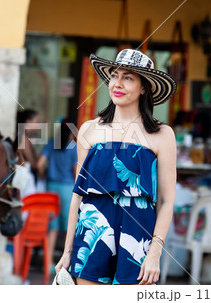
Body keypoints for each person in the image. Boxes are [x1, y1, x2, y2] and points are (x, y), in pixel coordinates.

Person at [55, 49, 177, 285]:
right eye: (114, 76)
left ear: (144, 88)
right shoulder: (89, 130)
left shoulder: (162, 135)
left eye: (128, 78)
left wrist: (155, 253)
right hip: (92, 237)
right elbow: (78, 196)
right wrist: (68, 251)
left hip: (138, 239)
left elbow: (166, 201)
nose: (117, 84)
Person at [37, 118, 77, 272]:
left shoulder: (51, 143)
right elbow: (75, 172)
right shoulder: (73, 147)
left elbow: (40, 164)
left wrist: (43, 175)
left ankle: (48, 265)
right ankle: (67, 265)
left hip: (50, 188)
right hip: (67, 189)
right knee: (69, 227)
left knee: (52, 227)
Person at [14, 109, 40, 198]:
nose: (38, 125)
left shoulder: (23, 136)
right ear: (28, 121)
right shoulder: (23, 137)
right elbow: (33, 163)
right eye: (37, 122)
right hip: (24, 175)